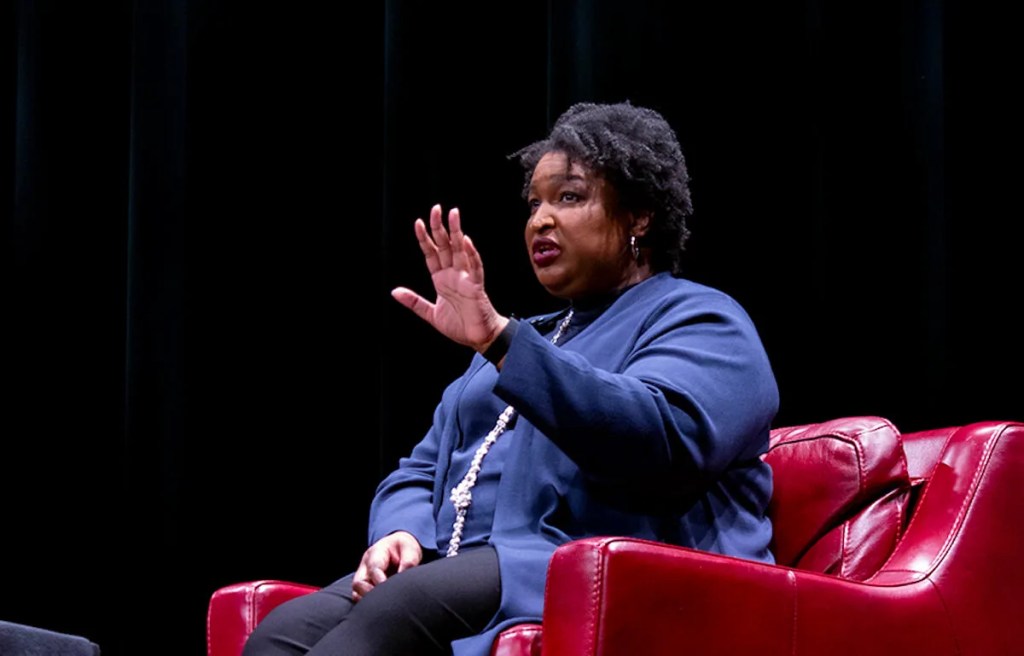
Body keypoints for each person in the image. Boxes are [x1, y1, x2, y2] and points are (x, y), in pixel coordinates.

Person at [242, 101, 779, 656]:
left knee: (395, 613)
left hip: (583, 563)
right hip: (455, 566)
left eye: (568, 197)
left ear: (639, 215)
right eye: (534, 204)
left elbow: (659, 439)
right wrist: (402, 532)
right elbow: (421, 468)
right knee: (279, 635)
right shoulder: (527, 337)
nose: (540, 220)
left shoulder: (701, 319)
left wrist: (501, 341)